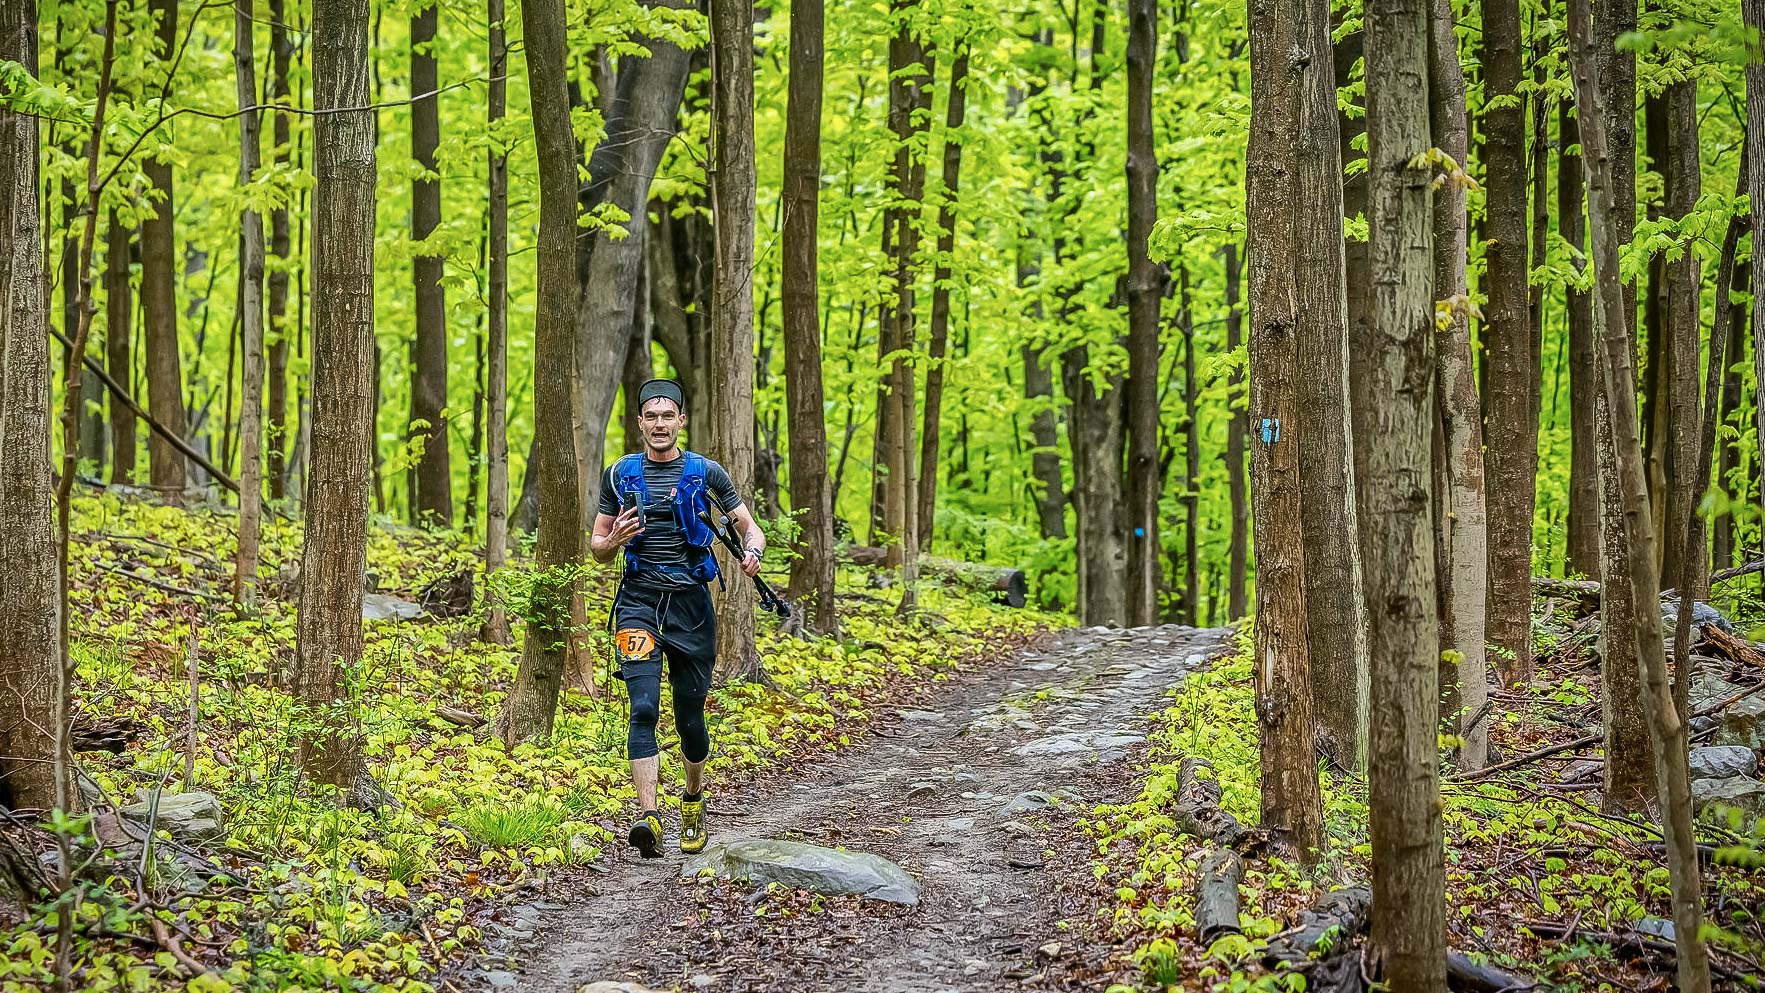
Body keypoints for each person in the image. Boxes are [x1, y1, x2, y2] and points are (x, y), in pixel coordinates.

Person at [589, 378, 765, 858]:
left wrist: (751, 550)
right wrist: (612, 542)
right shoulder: (620, 475)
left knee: (690, 718)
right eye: (652, 416)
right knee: (643, 706)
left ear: (681, 421)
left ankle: (691, 798)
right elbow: (598, 546)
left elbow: (750, 527)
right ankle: (648, 816)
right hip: (638, 603)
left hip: (691, 608)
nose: (660, 424)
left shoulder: (707, 472)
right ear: (640, 422)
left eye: (669, 416)